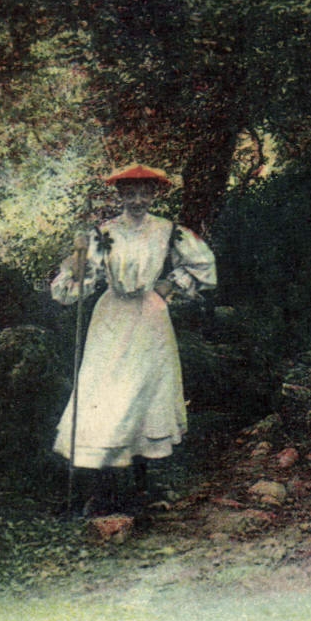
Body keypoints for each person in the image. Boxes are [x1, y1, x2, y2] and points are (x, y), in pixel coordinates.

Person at [52, 163, 216, 514]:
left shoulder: (169, 231)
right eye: (130, 192)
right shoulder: (103, 233)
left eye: (145, 192)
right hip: (111, 317)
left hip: (150, 317)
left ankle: (142, 485)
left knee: (146, 394)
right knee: (106, 395)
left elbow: (204, 265)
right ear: (120, 195)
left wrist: (171, 284)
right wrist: (79, 269)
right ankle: (101, 490)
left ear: (155, 194)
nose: (138, 199)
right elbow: (74, 282)